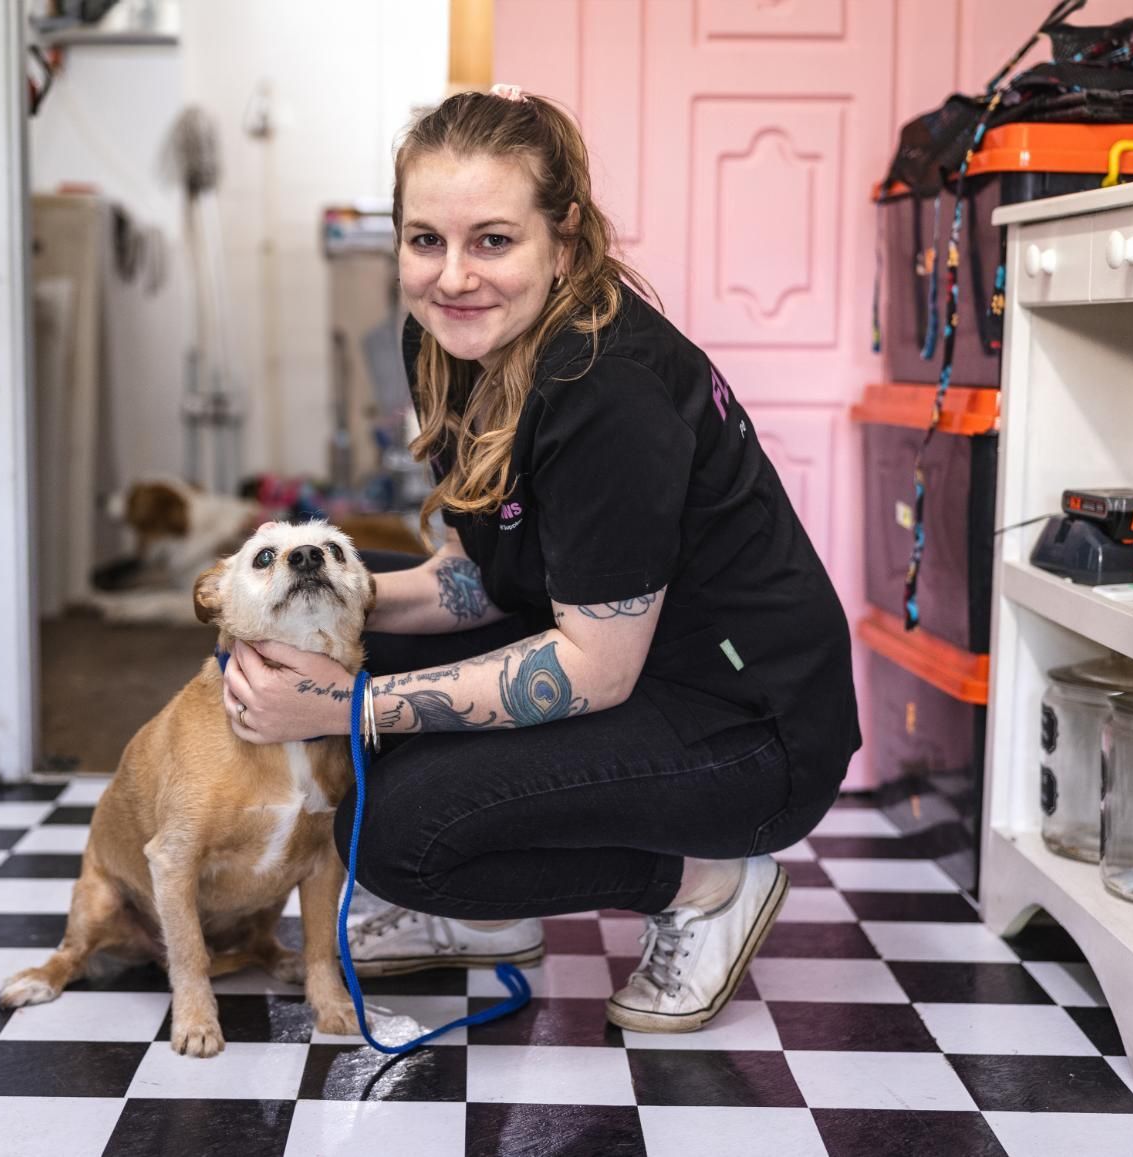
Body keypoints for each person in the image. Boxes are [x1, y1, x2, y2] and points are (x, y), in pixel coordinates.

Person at [219, 85, 860, 1033]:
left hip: (746, 728)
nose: (452, 276)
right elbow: (480, 578)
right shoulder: (447, 341)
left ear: (563, 239)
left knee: (398, 831)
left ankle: (709, 885)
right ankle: (489, 911)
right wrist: (312, 604)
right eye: (426, 240)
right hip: (613, 658)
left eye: (493, 240)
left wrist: (347, 705)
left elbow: (593, 668)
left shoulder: (608, 393)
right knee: (292, 652)